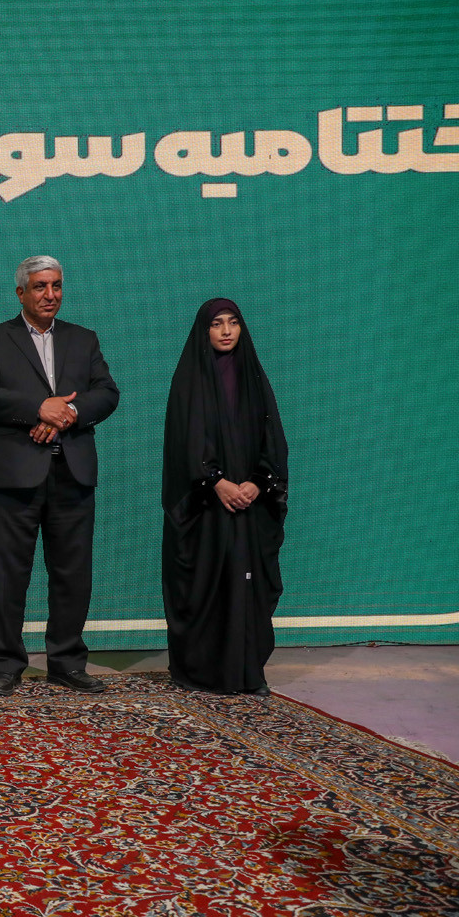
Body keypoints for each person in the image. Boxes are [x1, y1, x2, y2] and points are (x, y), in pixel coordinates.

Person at [0, 256, 119, 696]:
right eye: (39, 287)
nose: (49, 294)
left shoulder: (83, 338)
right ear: (21, 293)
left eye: (56, 285)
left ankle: (67, 662)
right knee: (8, 575)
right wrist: (38, 409)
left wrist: (66, 413)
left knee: (73, 573)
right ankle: (6, 665)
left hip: (72, 472)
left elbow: (106, 392)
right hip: (13, 475)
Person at [163, 298, 288, 695]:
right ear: (205, 332)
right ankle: (203, 672)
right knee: (208, 584)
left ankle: (249, 673)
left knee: (247, 584)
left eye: (233, 323)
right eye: (217, 324)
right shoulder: (189, 381)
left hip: (249, 505)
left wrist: (257, 482)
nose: (227, 331)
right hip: (205, 509)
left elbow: (272, 438)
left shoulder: (253, 378)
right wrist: (216, 482)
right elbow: (184, 443)